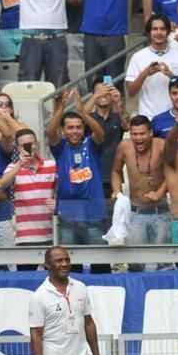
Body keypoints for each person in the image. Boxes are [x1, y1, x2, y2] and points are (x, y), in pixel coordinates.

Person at [46, 90, 108, 246]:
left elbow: (100, 133)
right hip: (68, 216)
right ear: (64, 131)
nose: (75, 131)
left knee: (100, 262)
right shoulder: (60, 147)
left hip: (94, 214)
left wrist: (83, 113)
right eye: (70, 127)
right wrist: (61, 107)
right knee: (70, 264)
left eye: (78, 127)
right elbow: (50, 132)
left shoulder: (91, 145)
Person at [112, 115, 169, 250]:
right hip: (135, 212)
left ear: (150, 133)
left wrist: (160, 193)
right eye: (134, 134)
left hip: (160, 211)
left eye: (142, 134)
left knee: (163, 260)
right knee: (136, 262)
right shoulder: (124, 146)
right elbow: (115, 171)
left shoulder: (162, 145)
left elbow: (172, 173)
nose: (138, 138)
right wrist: (117, 191)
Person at [126, 15, 178, 120]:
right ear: (149, 32)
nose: (159, 33)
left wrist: (170, 75)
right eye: (155, 29)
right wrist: (146, 73)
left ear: (168, 32)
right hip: (148, 117)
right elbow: (131, 91)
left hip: (175, 116)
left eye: (162, 29)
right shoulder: (138, 56)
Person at [0, 128, 58, 247]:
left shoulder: (52, 165)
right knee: (26, 266)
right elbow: (1, 185)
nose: (28, 148)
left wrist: (58, 202)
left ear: (37, 144)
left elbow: (63, 190)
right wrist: (20, 164)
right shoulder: (13, 168)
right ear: (18, 148)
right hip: (24, 236)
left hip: (51, 232)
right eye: (23, 145)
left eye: (31, 144)